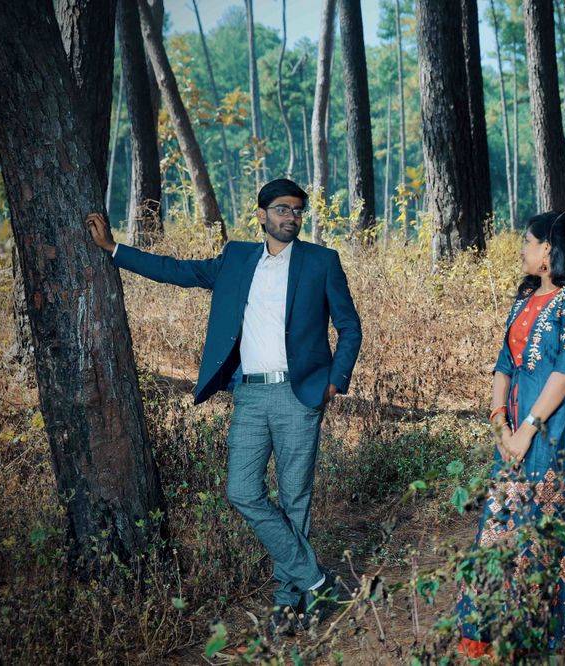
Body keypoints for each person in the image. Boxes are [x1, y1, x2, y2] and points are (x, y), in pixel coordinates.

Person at [85, 178, 362, 638]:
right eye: (281, 209)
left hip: (300, 395)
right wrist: (116, 249)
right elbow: (179, 271)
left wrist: (335, 382)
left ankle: (286, 602)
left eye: (297, 210)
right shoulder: (237, 259)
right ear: (261, 215)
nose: (290, 217)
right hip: (250, 396)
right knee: (242, 491)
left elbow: (350, 327)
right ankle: (317, 580)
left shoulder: (321, 261)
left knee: (296, 501)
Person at [456, 211, 565, 660]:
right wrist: (501, 424)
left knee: (550, 523)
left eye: (527, 241)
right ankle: (502, 626)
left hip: (555, 425)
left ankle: (560, 634)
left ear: (548, 252)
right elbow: (503, 365)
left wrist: (528, 430)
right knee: (502, 523)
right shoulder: (522, 301)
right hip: (514, 427)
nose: (521, 248)